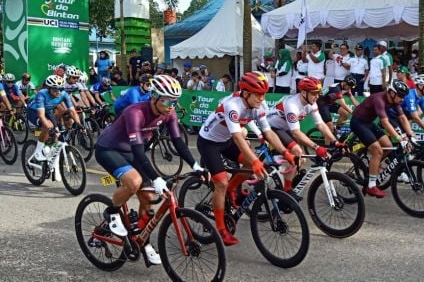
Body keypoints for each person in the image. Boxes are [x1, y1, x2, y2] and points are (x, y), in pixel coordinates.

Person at [95, 75, 202, 265]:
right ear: (154, 97)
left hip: (132, 153)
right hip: (109, 149)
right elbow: (138, 150)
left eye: (175, 102)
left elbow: (178, 142)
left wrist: (195, 165)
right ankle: (112, 212)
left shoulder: (169, 113)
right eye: (168, 101)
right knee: (134, 182)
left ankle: (143, 242)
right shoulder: (135, 112)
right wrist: (156, 177)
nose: (172, 106)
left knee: (149, 198)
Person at [197, 72, 295, 246]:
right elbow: (237, 137)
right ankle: (220, 229)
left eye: (264, 94)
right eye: (258, 94)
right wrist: (255, 161)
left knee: (251, 166)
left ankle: (231, 190)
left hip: (225, 140)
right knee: (221, 182)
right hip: (209, 142)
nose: (261, 98)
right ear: (246, 93)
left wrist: (285, 151)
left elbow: (268, 132)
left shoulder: (259, 106)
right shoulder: (232, 105)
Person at [266, 77, 338, 195]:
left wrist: (335, 141)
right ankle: (287, 190)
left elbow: (320, 124)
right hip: (272, 127)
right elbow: (296, 133)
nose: (317, 96)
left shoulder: (311, 103)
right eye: (314, 93)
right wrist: (316, 147)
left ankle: (285, 178)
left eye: (318, 93)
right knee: (296, 151)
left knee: (301, 159)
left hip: (285, 128)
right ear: (304, 92)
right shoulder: (292, 105)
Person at [350, 80, 415, 198]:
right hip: (357, 122)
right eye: (400, 96)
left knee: (388, 146)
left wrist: (410, 134)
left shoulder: (395, 101)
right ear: (392, 93)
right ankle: (371, 186)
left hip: (368, 123)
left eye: (403, 96)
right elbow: (385, 122)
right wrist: (400, 138)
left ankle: (372, 167)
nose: (402, 99)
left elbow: (403, 118)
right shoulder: (379, 99)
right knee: (377, 150)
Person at [26, 75, 84, 164]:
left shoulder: (63, 94)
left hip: (47, 111)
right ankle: (38, 152)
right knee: (48, 126)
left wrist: (79, 124)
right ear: (49, 89)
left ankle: (49, 149)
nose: (58, 92)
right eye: (55, 89)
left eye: (60, 89)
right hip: (34, 111)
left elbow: (72, 111)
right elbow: (41, 116)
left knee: (57, 131)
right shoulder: (41, 94)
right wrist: (49, 128)